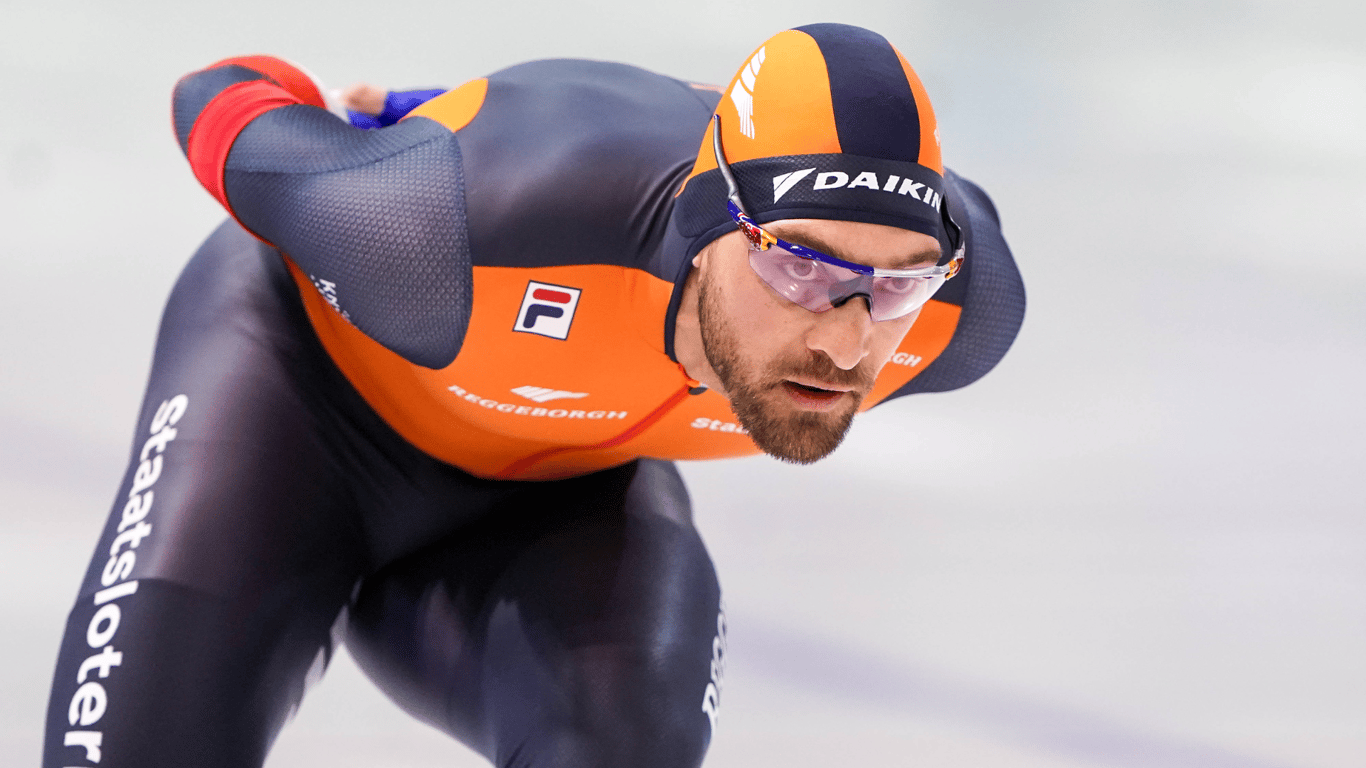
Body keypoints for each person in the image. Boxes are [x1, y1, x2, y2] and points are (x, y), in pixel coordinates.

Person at [43, 23, 1024, 768]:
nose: (847, 334)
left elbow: (854, 228)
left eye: (894, 282)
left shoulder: (955, 319)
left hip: (557, 496)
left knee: (623, 739)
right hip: (299, 426)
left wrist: (859, 271)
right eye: (799, 267)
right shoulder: (440, 236)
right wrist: (364, 126)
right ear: (705, 222)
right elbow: (225, 106)